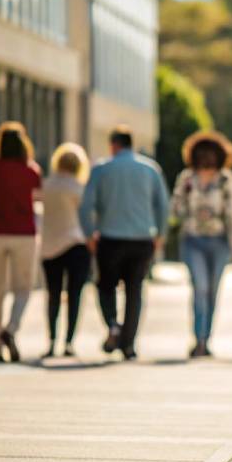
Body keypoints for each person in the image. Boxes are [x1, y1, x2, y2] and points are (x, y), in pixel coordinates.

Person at [79, 126, 169, 361]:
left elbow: (85, 205)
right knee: (134, 291)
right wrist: (160, 233)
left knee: (105, 286)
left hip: (110, 239)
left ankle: (112, 324)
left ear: (114, 145)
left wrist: (89, 234)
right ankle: (128, 344)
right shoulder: (150, 170)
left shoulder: (101, 169)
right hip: (142, 240)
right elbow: (163, 205)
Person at [0, 122, 43, 363]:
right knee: (23, 288)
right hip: (24, 233)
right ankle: (11, 329)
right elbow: (36, 201)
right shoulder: (32, 170)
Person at [171, 130, 232, 358]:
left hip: (219, 241)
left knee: (212, 291)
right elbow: (175, 209)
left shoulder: (225, 179)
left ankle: (206, 338)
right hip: (193, 240)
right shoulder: (187, 179)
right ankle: (198, 337)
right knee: (200, 288)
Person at [40, 143, 91, 358]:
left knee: (52, 294)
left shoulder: (45, 186)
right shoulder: (79, 188)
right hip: (76, 244)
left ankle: (51, 340)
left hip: (49, 246)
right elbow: (88, 217)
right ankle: (69, 341)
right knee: (74, 295)